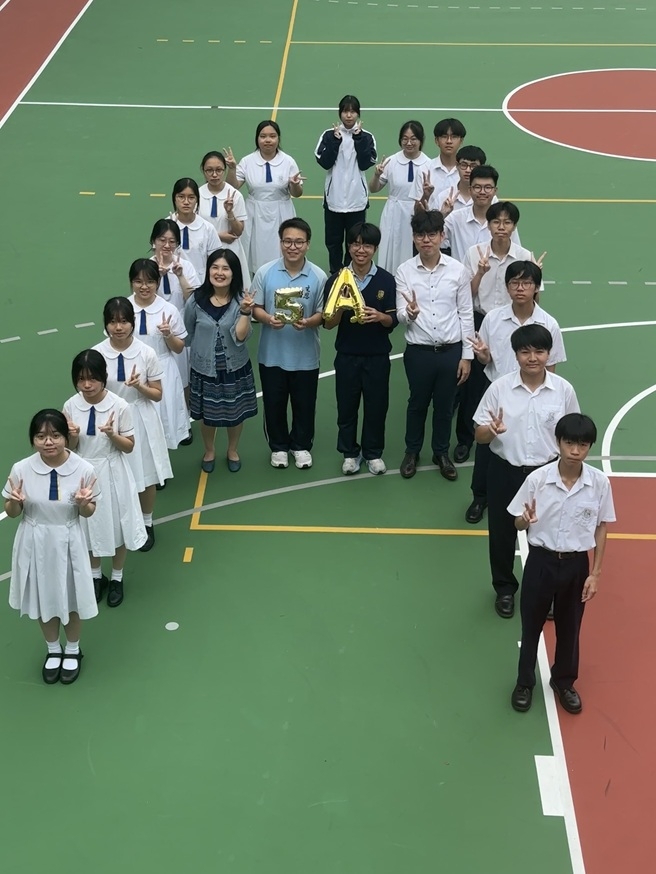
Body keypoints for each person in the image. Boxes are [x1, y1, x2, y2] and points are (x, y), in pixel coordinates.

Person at [508, 414, 615, 715]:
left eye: (582, 445)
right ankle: (524, 682)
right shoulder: (537, 480)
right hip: (541, 561)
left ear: (590, 447)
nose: (575, 451)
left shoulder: (599, 483)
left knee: (570, 627)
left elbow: (602, 527)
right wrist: (524, 520)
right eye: (569, 443)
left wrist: (595, 573)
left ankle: (564, 681)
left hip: (576, 565)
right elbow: (516, 522)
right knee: (531, 625)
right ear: (558, 442)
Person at [473, 325, 580, 619]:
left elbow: (573, 434)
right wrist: (491, 430)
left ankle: (544, 592)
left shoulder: (563, 390)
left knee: (547, 537)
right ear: (516, 355)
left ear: (549, 354)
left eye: (539, 351)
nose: (532, 358)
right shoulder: (499, 389)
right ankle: (505, 589)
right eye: (525, 352)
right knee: (502, 534)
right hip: (504, 471)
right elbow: (479, 435)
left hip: (547, 474)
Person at [3, 410, 99, 685]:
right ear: (32, 440)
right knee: (42, 595)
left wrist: (83, 504)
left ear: (66, 437)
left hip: (68, 538)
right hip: (35, 539)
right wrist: (14, 502)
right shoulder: (21, 469)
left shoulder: (84, 469)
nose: (48, 442)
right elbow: (12, 512)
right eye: (41, 436)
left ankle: (73, 649)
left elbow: (89, 511)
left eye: (55, 435)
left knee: (71, 596)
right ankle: (53, 649)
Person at [465, 261, 564, 525]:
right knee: (487, 448)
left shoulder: (549, 324)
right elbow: (486, 360)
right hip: (498, 393)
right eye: (515, 283)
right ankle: (480, 497)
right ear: (507, 287)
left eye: (527, 283)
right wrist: (483, 356)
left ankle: (538, 503)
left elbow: (551, 367)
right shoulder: (493, 319)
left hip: (533, 393)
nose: (520, 288)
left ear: (536, 287)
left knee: (529, 446)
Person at [453, 202, 535, 471]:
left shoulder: (524, 256)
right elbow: (466, 295)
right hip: (481, 319)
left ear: (514, 226)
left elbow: (535, 298)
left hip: (514, 322)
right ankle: (465, 438)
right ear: (488, 225)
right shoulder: (475, 253)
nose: (501, 227)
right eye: (496, 222)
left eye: (507, 222)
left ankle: (510, 434)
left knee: (511, 377)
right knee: (473, 384)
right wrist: (480, 272)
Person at [63, 350, 147, 608]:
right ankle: (96, 575)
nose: (87, 385)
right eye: (81, 379)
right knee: (88, 527)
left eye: (92, 378)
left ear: (103, 377)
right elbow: (69, 449)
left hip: (112, 473)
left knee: (117, 526)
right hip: (83, 475)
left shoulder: (119, 405)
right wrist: (72, 437)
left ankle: (117, 577)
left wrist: (112, 434)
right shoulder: (70, 406)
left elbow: (129, 446)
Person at [395, 210, 474, 482]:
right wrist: (410, 314)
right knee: (416, 403)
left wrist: (467, 356)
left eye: (431, 234)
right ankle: (412, 451)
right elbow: (400, 314)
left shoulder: (458, 270)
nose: (426, 240)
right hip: (419, 352)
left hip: (451, 351)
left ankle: (441, 453)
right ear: (414, 238)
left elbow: (466, 314)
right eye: (420, 235)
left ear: (442, 236)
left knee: (445, 406)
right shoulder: (404, 271)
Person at [94, 297, 172, 551]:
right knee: (113, 475)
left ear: (132, 323)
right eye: (113, 322)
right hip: (109, 421)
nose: (118, 327)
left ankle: (147, 522)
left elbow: (157, 394)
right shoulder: (96, 354)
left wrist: (140, 386)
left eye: (124, 321)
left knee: (145, 474)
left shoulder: (146, 352)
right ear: (106, 324)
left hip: (140, 418)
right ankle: (119, 523)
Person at [251, 218, 327, 469]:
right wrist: (267, 319)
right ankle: (279, 447)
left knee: (304, 404)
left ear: (308, 244)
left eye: (298, 242)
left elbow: (323, 314)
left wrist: (308, 322)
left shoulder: (318, 276)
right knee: (274, 403)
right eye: (287, 241)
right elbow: (256, 308)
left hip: (306, 356)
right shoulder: (265, 273)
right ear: (280, 242)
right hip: (272, 354)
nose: (293, 247)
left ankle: (301, 446)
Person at [323, 222, 398, 475]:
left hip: (377, 357)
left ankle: (373, 453)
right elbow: (328, 324)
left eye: (366, 245)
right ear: (349, 247)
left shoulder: (386, 280)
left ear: (375, 248)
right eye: (355, 244)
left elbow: (392, 320)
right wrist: (340, 306)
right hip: (347, 356)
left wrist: (379, 316)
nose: (360, 250)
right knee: (347, 408)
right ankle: (350, 453)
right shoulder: (337, 280)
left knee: (377, 407)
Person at [184, 249, 258, 473]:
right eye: (215, 267)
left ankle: (232, 450)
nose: (219, 272)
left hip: (234, 368)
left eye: (225, 268)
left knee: (236, 414)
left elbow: (241, 337)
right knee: (207, 416)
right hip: (204, 369)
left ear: (234, 273)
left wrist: (245, 313)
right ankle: (209, 450)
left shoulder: (241, 301)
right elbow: (188, 331)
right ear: (208, 271)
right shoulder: (195, 300)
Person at [224, 120, 304, 273]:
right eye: (263, 136)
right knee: (255, 254)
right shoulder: (247, 161)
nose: (268, 140)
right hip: (255, 213)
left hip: (281, 212)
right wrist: (232, 169)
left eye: (272, 136)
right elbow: (232, 187)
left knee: (284, 250)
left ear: (278, 138)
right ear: (257, 139)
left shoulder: (288, 161)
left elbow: (297, 193)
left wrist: (294, 185)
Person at [128, 259, 190, 449]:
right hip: (133, 373)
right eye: (138, 281)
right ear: (131, 282)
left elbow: (179, 348)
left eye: (150, 282)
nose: (144, 287)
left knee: (163, 422)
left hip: (163, 372)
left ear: (158, 282)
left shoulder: (168, 309)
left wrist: (168, 335)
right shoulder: (123, 308)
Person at [315, 95, 377, 273]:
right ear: (340, 113)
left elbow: (365, 163)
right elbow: (324, 162)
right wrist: (335, 142)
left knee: (355, 242)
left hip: (356, 201)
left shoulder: (367, 137)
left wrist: (359, 140)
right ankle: (335, 274)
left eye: (352, 111)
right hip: (333, 201)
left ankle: (352, 274)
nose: (349, 115)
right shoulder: (329, 135)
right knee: (333, 242)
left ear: (358, 114)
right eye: (345, 111)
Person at [368, 120, 430, 274]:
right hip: (393, 213)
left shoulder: (428, 164)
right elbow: (373, 189)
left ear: (421, 140)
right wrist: (376, 175)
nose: (409, 143)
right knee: (390, 249)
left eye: (413, 139)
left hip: (417, 214)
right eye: (405, 139)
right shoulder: (391, 161)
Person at [150, 218, 200, 397]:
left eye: (172, 241)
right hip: (155, 327)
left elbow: (194, 301)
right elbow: (142, 298)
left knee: (183, 376)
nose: (167, 245)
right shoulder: (147, 267)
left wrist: (180, 276)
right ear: (153, 241)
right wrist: (157, 276)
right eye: (162, 240)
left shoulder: (185, 266)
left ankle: (185, 411)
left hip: (181, 327)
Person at [444, 166, 521, 263]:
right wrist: (443, 214)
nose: (482, 192)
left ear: (495, 191)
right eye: (477, 187)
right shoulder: (454, 218)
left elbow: (516, 252)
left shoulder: (505, 222)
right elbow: (433, 237)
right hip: (463, 273)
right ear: (470, 190)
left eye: (488, 187)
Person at [198, 150, 250, 286]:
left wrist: (230, 213)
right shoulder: (197, 195)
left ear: (224, 170)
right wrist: (219, 236)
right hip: (204, 251)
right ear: (203, 171)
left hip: (230, 251)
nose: (214, 174)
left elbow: (238, 232)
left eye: (219, 170)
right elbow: (194, 228)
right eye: (209, 170)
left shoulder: (235, 195)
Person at [169, 177, 220, 280]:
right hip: (172, 282)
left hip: (200, 283)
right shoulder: (166, 227)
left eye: (191, 197)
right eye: (181, 197)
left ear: (197, 200)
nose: (186, 202)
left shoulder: (207, 228)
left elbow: (216, 260)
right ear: (174, 199)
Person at [412, 117, 466, 209]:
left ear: (461, 141)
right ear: (436, 141)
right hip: (431, 218)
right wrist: (426, 196)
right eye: (444, 137)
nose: (449, 141)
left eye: (454, 137)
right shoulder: (424, 169)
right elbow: (416, 211)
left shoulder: (467, 171)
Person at [432, 145, 487, 216]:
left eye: (473, 166)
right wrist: (443, 215)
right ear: (457, 165)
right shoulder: (443, 197)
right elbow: (431, 223)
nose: (468, 170)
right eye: (464, 165)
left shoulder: (488, 197)